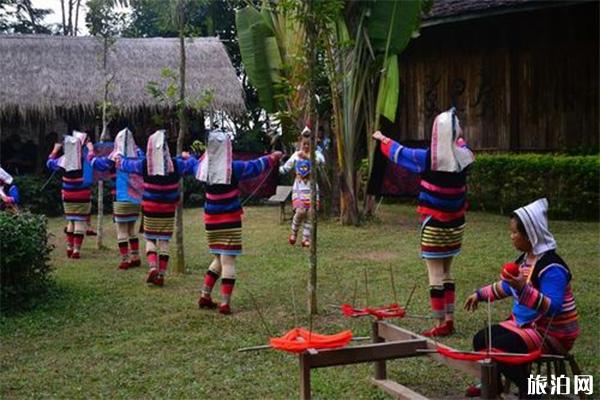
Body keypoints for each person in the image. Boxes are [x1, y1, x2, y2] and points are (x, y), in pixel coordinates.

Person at [372, 107, 474, 337]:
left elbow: (399, 152)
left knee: (435, 273)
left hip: (434, 226)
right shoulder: (464, 157)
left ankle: (440, 323)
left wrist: (382, 139)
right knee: (447, 271)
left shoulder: (427, 158)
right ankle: (449, 319)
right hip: (456, 225)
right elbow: (461, 143)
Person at [464, 198, 579, 398]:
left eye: (515, 232)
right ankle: (494, 384)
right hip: (526, 324)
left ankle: (531, 390)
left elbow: (552, 307)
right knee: (481, 339)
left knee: (501, 347)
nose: (512, 237)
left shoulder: (552, 268)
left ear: (531, 235)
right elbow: (507, 286)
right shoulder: (526, 260)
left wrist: (522, 288)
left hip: (551, 331)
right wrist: (480, 294)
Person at [196, 129, 282, 314]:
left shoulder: (202, 168)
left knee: (218, 257)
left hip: (210, 220)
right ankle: (225, 303)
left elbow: (191, 163)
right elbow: (255, 166)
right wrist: (273, 157)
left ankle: (205, 295)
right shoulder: (233, 168)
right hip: (230, 219)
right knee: (228, 261)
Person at [115, 130, 196, 286]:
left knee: (150, 238)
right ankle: (161, 275)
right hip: (168, 210)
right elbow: (192, 165)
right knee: (164, 241)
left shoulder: (145, 164)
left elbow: (126, 164)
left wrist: (119, 157)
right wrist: (189, 157)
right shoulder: (176, 164)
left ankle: (153, 267)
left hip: (150, 208)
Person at [88, 128, 144, 269]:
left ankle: (125, 259)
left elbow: (100, 164)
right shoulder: (139, 153)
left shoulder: (116, 156)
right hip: (137, 198)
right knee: (131, 229)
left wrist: (90, 153)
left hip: (120, 197)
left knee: (121, 230)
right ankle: (136, 256)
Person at [47, 131, 93, 259]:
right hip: (83, 194)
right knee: (80, 221)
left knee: (71, 220)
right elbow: (93, 160)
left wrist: (55, 150)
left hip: (68, 195)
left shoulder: (63, 160)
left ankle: (69, 247)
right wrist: (90, 149)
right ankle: (76, 250)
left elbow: (49, 164)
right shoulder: (84, 159)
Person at [279, 127, 324, 248]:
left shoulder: (316, 154)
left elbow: (321, 161)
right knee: (300, 211)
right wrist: (275, 167)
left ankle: (305, 238)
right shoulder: (296, 155)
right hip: (299, 187)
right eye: (304, 144)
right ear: (300, 143)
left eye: (309, 144)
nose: (306, 146)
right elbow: (286, 168)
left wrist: (308, 157)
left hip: (312, 188)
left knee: (310, 213)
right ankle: (294, 232)